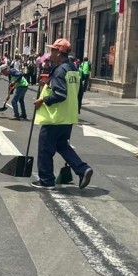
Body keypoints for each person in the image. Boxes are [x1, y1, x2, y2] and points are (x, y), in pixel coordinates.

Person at [31, 38, 93, 190]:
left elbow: (60, 94)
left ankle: (46, 180)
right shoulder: (72, 69)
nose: (50, 53)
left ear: (59, 52)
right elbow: (77, 92)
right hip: (68, 115)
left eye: (52, 50)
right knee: (62, 146)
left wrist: (43, 100)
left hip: (55, 117)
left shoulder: (60, 70)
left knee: (45, 149)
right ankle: (82, 169)